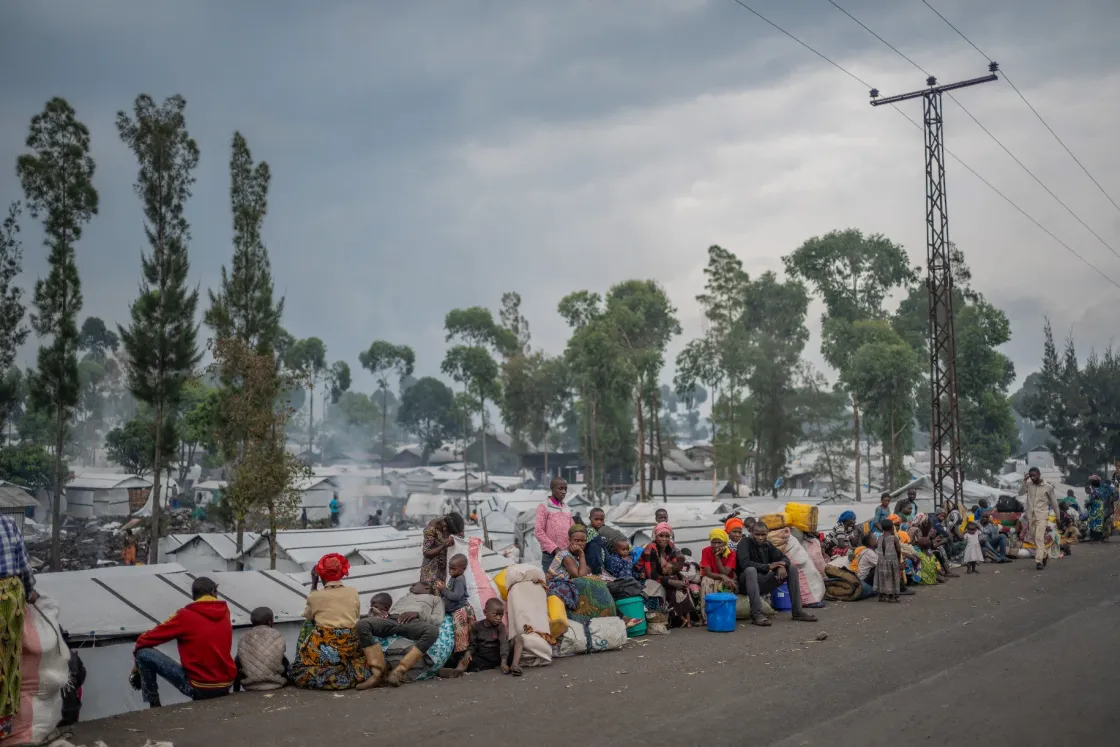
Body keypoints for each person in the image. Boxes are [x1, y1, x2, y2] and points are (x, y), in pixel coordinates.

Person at [130, 576, 236, 708]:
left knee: (142, 653)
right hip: (226, 685)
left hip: (200, 687)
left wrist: (136, 665)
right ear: (215, 593)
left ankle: (154, 704)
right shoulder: (225, 612)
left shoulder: (185, 615)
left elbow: (145, 639)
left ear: (193, 596)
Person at [290, 554, 371, 690]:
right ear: (342, 572)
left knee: (308, 625)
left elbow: (308, 615)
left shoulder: (316, 595)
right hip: (350, 646)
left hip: (324, 649)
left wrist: (314, 584)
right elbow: (355, 617)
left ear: (320, 575)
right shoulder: (353, 592)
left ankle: (316, 666)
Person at [355, 591, 442, 690]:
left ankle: (398, 671)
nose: (412, 586)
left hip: (413, 621)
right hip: (391, 619)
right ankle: (378, 675)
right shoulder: (405, 597)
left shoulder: (436, 599)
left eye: (415, 584)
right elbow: (388, 609)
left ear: (426, 587)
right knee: (362, 625)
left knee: (433, 631)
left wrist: (418, 614)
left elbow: (437, 619)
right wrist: (381, 614)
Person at [736, 522, 818, 625]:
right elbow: (744, 563)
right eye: (757, 534)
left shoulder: (767, 544)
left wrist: (782, 566)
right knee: (750, 570)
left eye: (763, 535)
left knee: (791, 568)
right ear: (752, 533)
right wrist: (768, 567)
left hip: (762, 581)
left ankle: (797, 611)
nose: (760, 538)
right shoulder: (744, 542)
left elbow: (784, 558)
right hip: (746, 583)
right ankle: (756, 614)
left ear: (767, 534)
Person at [1, 514, 38, 738]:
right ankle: (2, 729)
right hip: (8, 600)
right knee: (7, 662)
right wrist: (31, 591)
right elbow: (24, 567)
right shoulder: (7, 523)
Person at [547, 525, 617, 620]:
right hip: (556, 588)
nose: (580, 544)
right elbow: (580, 576)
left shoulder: (575, 556)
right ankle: (616, 616)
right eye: (576, 540)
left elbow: (587, 570)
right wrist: (582, 554)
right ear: (570, 540)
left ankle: (613, 615)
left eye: (583, 541)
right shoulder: (565, 556)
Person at [234, 607, 289, 692]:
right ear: (270, 622)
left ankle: (236, 690)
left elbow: (239, 661)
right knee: (283, 658)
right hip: (275, 683)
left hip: (250, 685)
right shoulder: (278, 635)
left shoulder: (243, 637)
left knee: (238, 659)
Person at [1018, 467, 1061, 570]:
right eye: (1031, 476)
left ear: (1039, 474)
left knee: (1039, 538)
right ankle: (1045, 554)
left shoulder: (1048, 487)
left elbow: (1054, 503)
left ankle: (1039, 561)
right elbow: (1020, 493)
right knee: (1034, 537)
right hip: (1031, 516)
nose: (1032, 478)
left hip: (1042, 516)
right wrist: (1024, 480)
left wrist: (1058, 518)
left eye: (1034, 475)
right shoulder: (1028, 484)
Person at [534, 478, 573, 573]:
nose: (564, 492)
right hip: (550, 555)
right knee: (551, 583)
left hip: (567, 554)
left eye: (565, 489)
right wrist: (554, 548)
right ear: (552, 488)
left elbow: (573, 529)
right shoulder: (544, 506)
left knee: (567, 584)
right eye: (560, 488)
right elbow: (538, 531)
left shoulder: (566, 508)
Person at [443, 554, 476, 661]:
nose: (450, 571)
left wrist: (443, 590)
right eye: (449, 568)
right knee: (464, 634)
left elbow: (456, 596)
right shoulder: (454, 577)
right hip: (457, 609)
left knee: (462, 634)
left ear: (464, 569)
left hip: (460, 611)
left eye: (453, 569)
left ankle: (463, 657)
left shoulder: (459, 579)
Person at [698, 528, 737, 620]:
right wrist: (721, 576)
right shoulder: (706, 551)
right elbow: (708, 572)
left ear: (725, 543)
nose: (716, 545)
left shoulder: (731, 554)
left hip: (727, 579)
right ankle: (706, 617)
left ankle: (721, 616)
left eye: (719, 542)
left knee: (724, 584)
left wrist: (717, 557)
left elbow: (726, 573)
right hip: (712, 577)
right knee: (707, 582)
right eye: (713, 542)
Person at [421, 512, 466, 584]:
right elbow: (426, 553)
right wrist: (444, 546)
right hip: (433, 568)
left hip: (447, 565)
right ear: (445, 527)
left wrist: (460, 536)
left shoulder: (454, 521)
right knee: (435, 590)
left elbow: (461, 535)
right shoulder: (431, 528)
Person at [58, 629, 85, 727]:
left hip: (52, 711)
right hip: (71, 709)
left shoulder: (43, 658)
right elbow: (81, 677)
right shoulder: (73, 656)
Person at [874, 519, 902, 603]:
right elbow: (899, 550)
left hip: (881, 562)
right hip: (892, 561)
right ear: (892, 528)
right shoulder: (894, 538)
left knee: (882, 578)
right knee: (892, 578)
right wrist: (899, 560)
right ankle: (891, 597)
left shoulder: (879, 538)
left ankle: (882, 596)